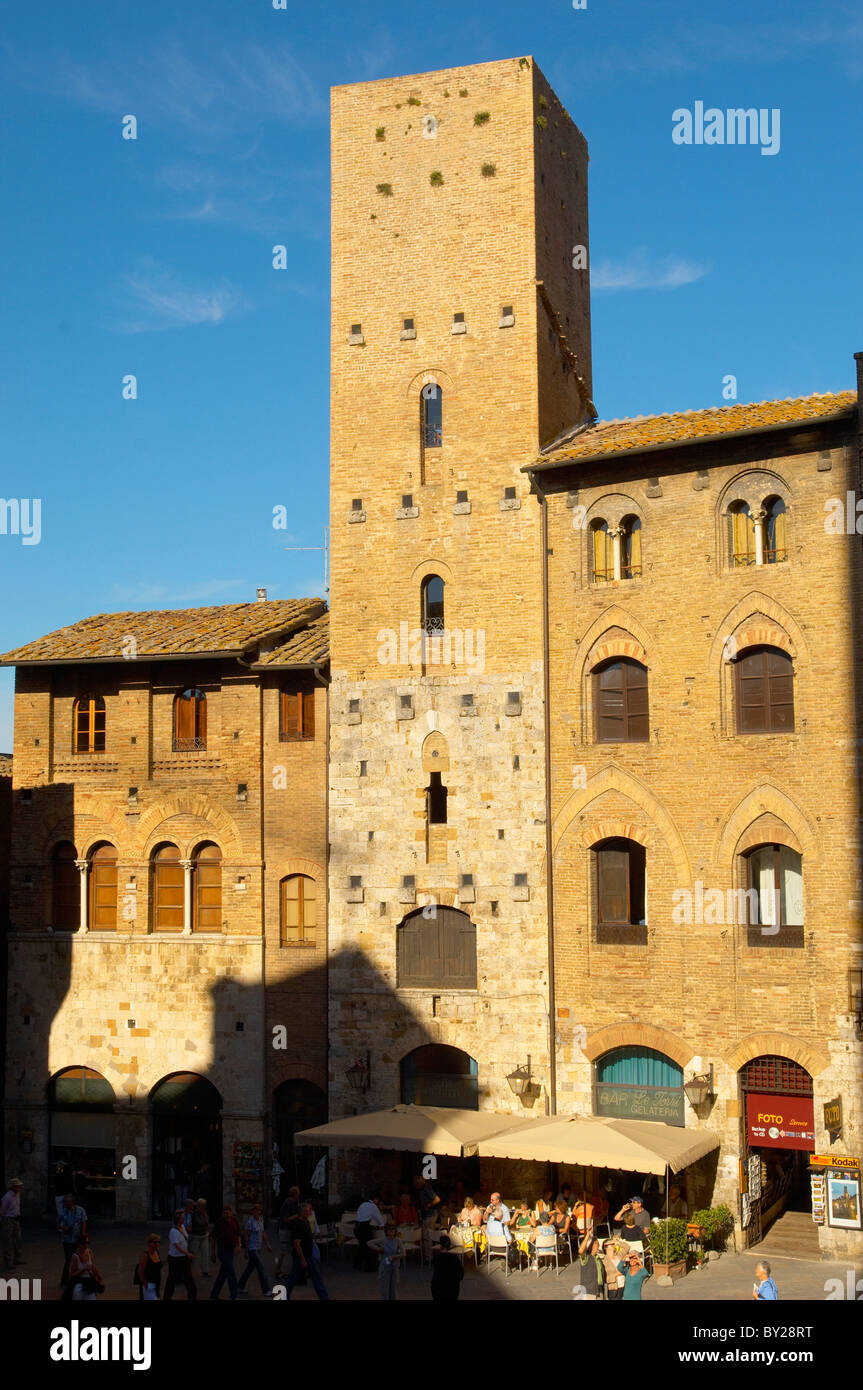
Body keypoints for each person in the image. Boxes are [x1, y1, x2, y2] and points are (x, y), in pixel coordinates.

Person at [281, 1202, 329, 1299]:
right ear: (302, 1212)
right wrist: (302, 1259)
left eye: (309, 1210)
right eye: (307, 1211)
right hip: (300, 1257)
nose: (309, 1212)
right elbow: (297, 1244)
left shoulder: (306, 1221)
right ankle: (284, 1296)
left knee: (317, 1277)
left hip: (309, 1255)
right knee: (292, 1279)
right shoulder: (297, 1224)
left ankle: (324, 1297)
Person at [239, 1204, 273, 1297]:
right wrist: (246, 1251)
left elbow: (263, 1233)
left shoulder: (261, 1220)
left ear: (260, 1212)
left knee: (249, 1268)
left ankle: (240, 1286)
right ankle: (266, 1290)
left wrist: (268, 1244)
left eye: (258, 1210)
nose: (256, 1212)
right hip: (252, 1248)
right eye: (254, 1210)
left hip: (258, 1248)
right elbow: (246, 1237)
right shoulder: (250, 1222)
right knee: (261, 1268)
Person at [164, 1208, 197, 1300]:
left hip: (183, 1258)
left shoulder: (182, 1227)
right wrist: (187, 1253)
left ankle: (192, 1296)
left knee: (189, 1278)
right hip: (175, 1258)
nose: (184, 1219)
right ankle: (167, 1296)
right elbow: (177, 1245)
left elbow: (185, 1239)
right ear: (178, 1219)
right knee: (171, 1278)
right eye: (183, 1218)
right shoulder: (173, 1231)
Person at [210, 1204, 241, 1301]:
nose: (226, 1214)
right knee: (231, 1272)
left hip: (231, 1250)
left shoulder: (234, 1221)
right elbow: (213, 1238)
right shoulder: (219, 1223)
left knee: (223, 1274)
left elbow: (238, 1234)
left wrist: (239, 1245)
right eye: (225, 1212)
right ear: (223, 1213)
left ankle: (214, 1294)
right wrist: (213, 1253)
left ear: (231, 1213)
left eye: (228, 1212)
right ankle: (234, 1295)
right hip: (222, 1250)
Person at [368, 1221, 405, 1300]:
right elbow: (369, 1243)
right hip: (385, 1267)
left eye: (393, 1229)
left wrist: (394, 1256)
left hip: (394, 1267)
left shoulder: (397, 1240)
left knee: (393, 1289)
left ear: (395, 1231)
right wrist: (379, 1249)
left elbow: (403, 1254)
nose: (391, 1231)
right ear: (386, 1231)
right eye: (389, 1229)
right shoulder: (383, 1240)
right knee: (384, 1289)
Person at [57, 1194, 88, 1287]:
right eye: (65, 1203)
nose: (66, 1204)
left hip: (77, 1238)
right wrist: (63, 1227)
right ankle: (66, 1280)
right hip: (67, 1239)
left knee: (79, 1258)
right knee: (69, 1259)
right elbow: (58, 1222)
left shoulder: (80, 1210)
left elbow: (84, 1221)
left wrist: (83, 1233)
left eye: (68, 1203)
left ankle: (77, 1279)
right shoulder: (63, 1211)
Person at [355, 1193, 385, 1271]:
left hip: (357, 1227)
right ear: (375, 1199)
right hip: (364, 1227)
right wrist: (381, 1225)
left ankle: (358, 1265)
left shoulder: (363, 1204)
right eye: (378, 1200)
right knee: (368, 1246)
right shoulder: (373, 1206)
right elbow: (378, 1217)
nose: (378, 1202)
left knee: (362, 1246)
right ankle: (368, 1266)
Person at [573, 1227, 605, 1300]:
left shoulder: (598, 1258)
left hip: (599, 1289)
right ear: (591, 1246)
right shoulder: (587, 1258)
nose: (599, 1246)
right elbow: (581, 1251)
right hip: (589, 1290)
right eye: (597, 1244)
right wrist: (587, 1235)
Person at [430, 1233, 464, 1302]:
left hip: (438, 1290)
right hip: (452, 1290)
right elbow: (461, 1275)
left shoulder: (436, 1258)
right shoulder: (455, 1258)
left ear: (440, 1246)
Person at [275, 1186, 301, 1274]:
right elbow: (285, 1219)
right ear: (295, 1194)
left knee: (293, 1249)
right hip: (284, 1230)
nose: (299, 1195)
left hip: (290, 1230)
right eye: (298, 1193)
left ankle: (296, 1268)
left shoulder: (294, 1203)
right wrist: (296, 1216)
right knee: (283, 1251)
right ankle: (278, 1269)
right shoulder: (287, 1203)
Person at [414, 1176, 441, 1258]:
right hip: (426, 1215)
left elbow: (437, 1199)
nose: (415, 1185)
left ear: (420, 1182)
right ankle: (428, 1255)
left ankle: (429, 1257)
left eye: (416, 1183)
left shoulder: (426, 1188)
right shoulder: (421, 1189)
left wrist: (428, 1205)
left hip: (431, 1214)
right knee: (425, 1235)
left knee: (427, 1235)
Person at [1, 1177, 24, 1270]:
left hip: (16, 1219)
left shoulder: (17, 1194)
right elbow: (2, 1211)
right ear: (13, 1187)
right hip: (8, 1220)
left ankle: (16, 1258)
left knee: (18, 1240)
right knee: (8, 1241)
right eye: (18, 1186)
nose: (20, 1188)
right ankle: (8, 1262)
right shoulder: (7, 1197)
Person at [188, 1197, 211, 1277]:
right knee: (193, 1255)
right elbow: (199, 1223)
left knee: (205, 1254)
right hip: (195, 1236)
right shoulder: (194, 1214)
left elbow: (207, 1222)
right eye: (202, 1205)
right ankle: (190, 1272)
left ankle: (205, 1271)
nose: (203, 1207)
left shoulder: (204, 1213)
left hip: (203, 1235)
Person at [601, 1236, 629, 1301]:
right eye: (611, 1244)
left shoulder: (619, 1255)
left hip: (623, 1285)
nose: (613, 1245)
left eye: (613, 1244)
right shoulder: (604, 1261)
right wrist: (616, 1274)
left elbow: (627, 1247)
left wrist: (617, 1242)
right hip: (614, 1288)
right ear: (606, 1247)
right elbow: (605, 1277)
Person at [136, 1234, 163, 1301]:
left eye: (158, 1242)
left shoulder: (156, 1252)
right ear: (149, 1243)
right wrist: (145, 1285)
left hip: (156, 1284)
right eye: (155, 1242)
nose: (157, 1244)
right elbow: (140, 1271)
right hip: (149, 1284)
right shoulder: (145, 1255)